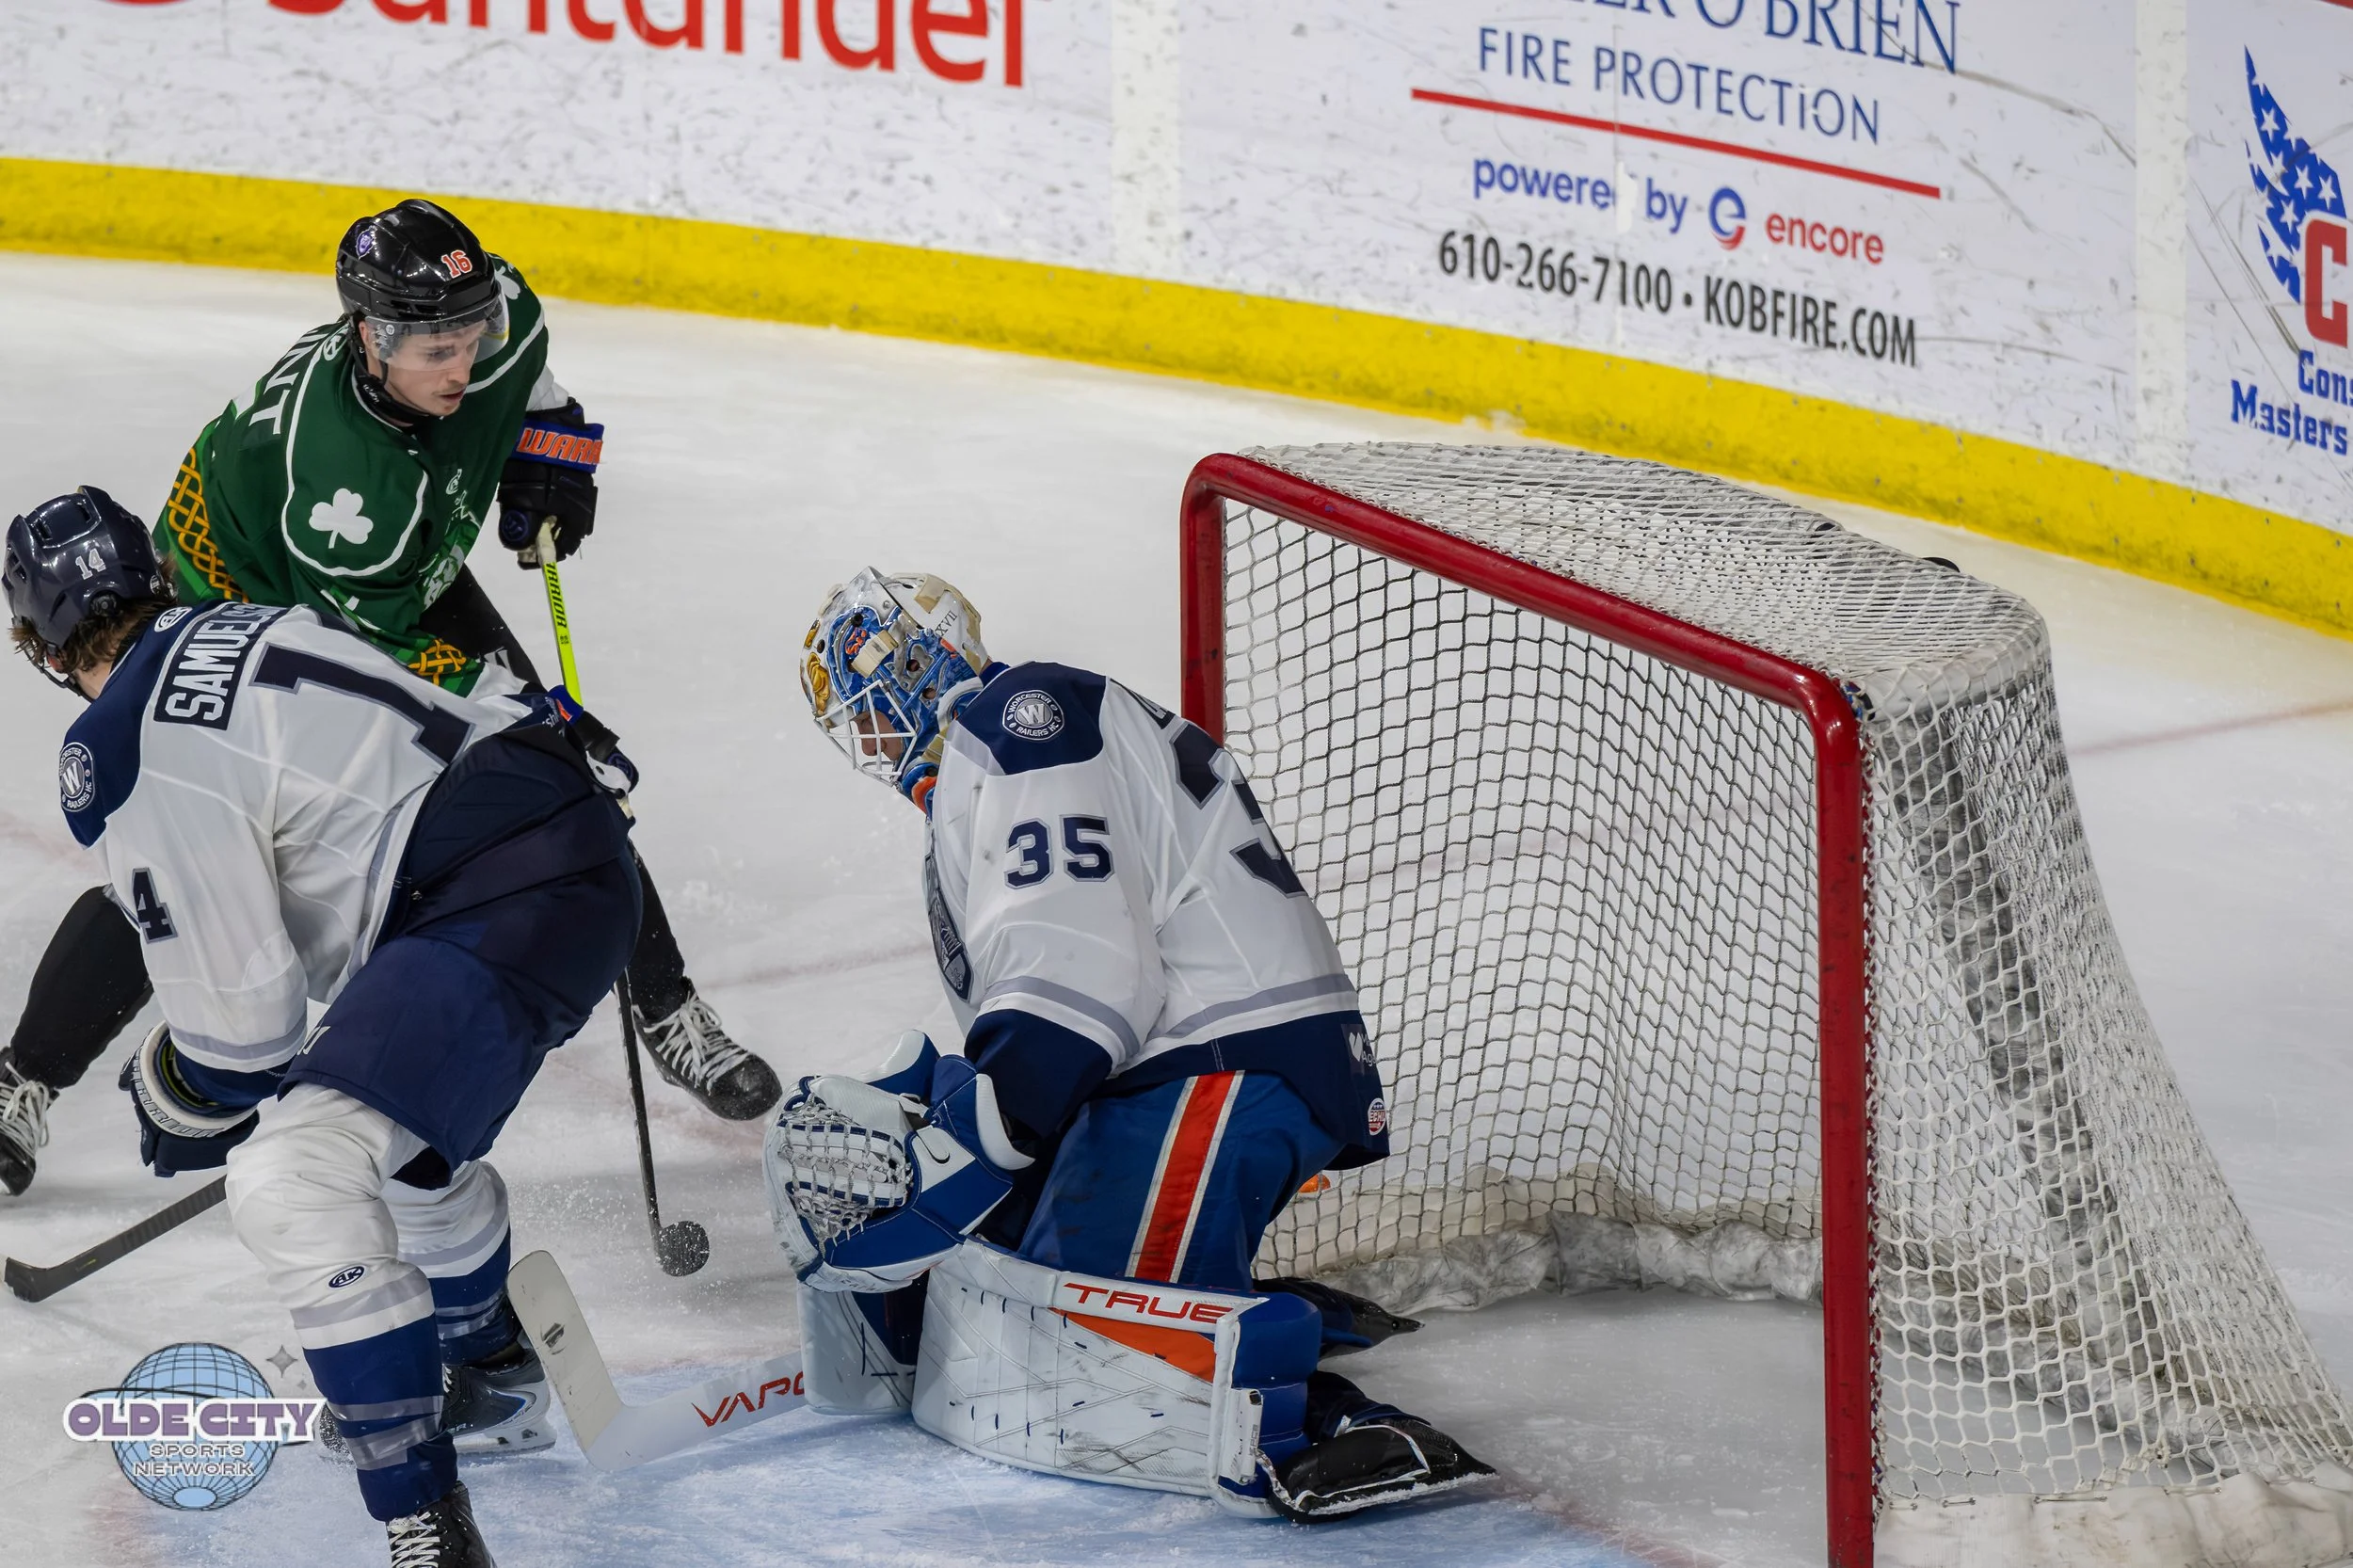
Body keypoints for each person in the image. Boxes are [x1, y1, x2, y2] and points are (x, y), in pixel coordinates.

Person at [0, 199, 776, 1199]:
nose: (464, 363)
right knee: (190, 847)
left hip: (391, 560)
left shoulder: (489, 323)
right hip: (250, 593)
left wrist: (553, 464)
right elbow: (398, 669)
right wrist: (531, 720)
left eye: (474, 332)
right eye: (436, 347)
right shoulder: (344, 490)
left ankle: (667, 1007)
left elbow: (540, 392)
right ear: (372, 337)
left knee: (558, 779)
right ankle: (22, 1077)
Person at [6, 487, 646, 1566]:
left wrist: (178, 1088)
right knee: (380, 1144)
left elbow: (243, 1034)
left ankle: (421, 1524)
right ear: (156, 573)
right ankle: (487, 1369)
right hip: (553, 831)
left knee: (292, 1177)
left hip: (487, 899)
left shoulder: (121, 739)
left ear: (39, 644)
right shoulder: (249, 619)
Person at [766, 569, 1492, 1519]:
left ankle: (1342, 1422)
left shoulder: (1014, 719)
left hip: (1213, 1061)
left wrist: (970, 1136)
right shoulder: (1008, 748)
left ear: (923, 661)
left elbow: (1084, 964)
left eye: (874, 702)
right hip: (1194, 1058)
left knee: (1082, 1355)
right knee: (1003, 1276)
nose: (876, 738)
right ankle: (1225, 1290)